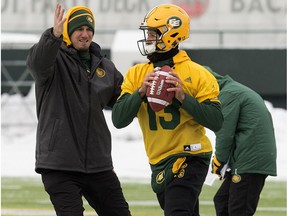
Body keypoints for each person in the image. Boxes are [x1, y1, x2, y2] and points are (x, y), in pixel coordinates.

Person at [112, 4, 223, 216]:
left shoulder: (197, 73)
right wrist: (140, 93)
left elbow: (217, 120)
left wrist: (183, 98)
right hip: (159, 160)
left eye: (153, 34)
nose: (147, 39)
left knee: (177, 211)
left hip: (191, 155)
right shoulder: (137, 73)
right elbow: (118, 119)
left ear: (171, 35)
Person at [26, 3, 131, 216]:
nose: (85, 34)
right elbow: (37, 64)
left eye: (89, 29)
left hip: (98, 165)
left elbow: (123, 100)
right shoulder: (53, 59)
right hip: (60, 165)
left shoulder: (105, 67)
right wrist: (53, 35)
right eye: (79, 29)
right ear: (68, 32)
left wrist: (144, 92)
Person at [209, 68, 277, 216]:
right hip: (248, 156)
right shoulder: (233, 90)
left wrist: (219, 160)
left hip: (250, 159)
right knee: (222, 201)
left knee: (238, 210)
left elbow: (225, 133)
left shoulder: (228, 94)